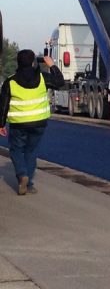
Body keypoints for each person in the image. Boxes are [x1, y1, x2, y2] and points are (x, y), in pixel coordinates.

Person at [0, 50, 64, 195]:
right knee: (31, 151)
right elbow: (60, 82)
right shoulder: (42, 78)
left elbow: (3, 105)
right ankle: (28, 184)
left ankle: (22, 175)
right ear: (34, 62)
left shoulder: (10, 82)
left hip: (18, 124)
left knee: (16, 150)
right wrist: (52, 65)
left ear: (18, 62)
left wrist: (1, 124)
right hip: (38, 123)